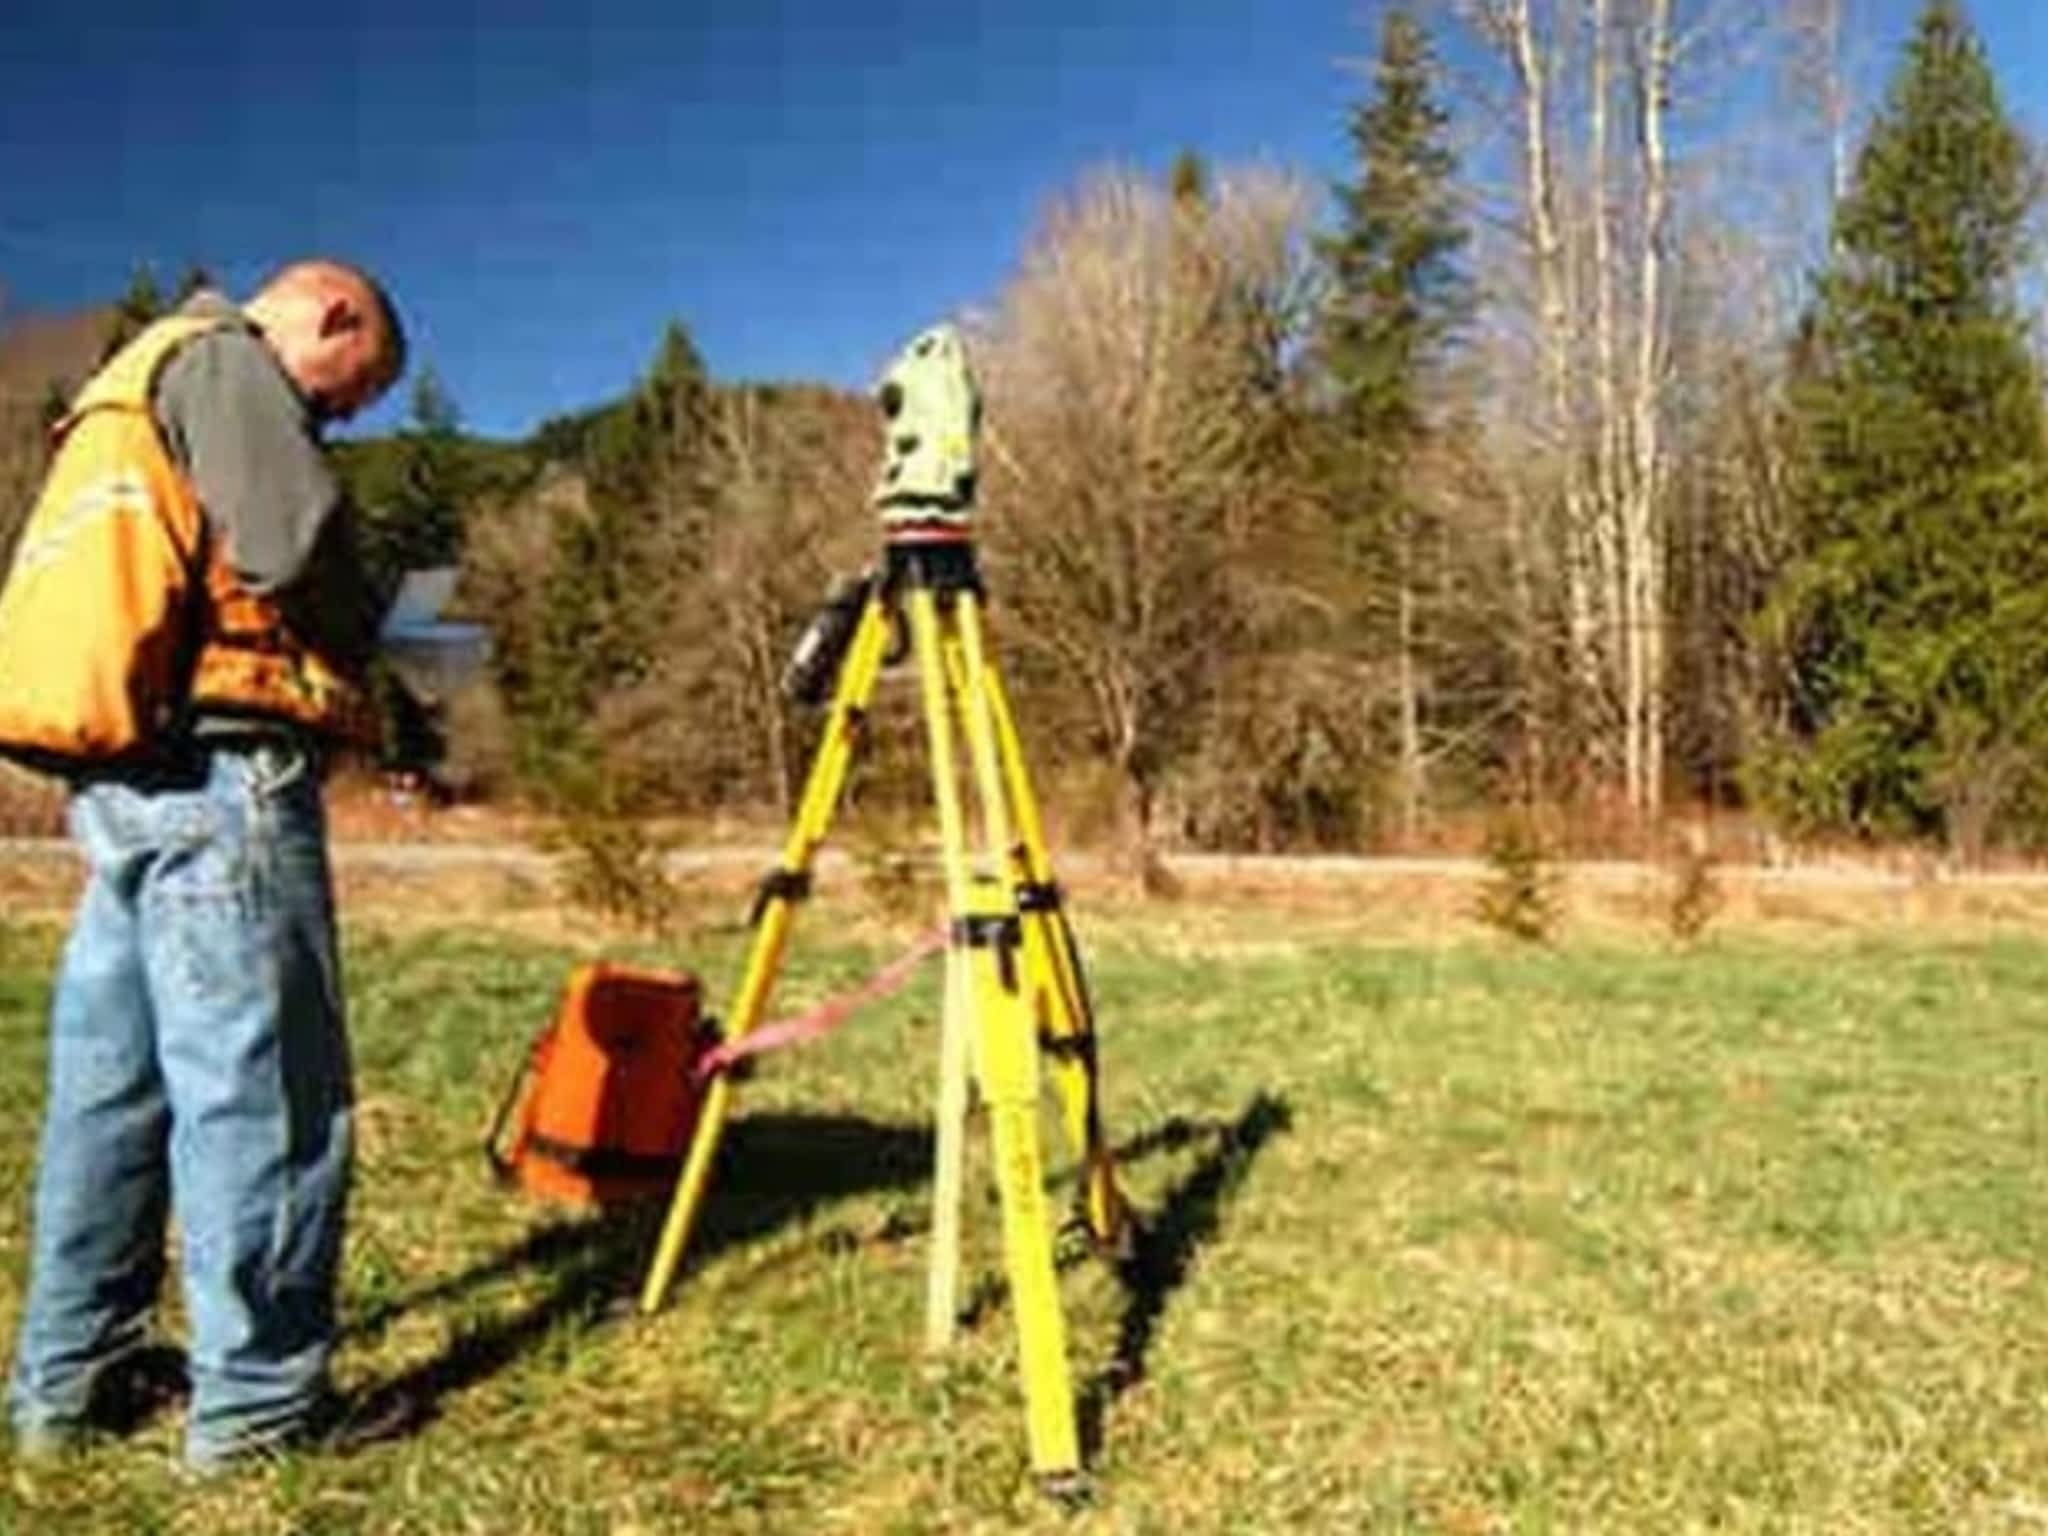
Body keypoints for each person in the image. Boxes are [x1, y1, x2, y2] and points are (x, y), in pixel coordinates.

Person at [6, 259, 406, 1472]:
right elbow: (290, 547)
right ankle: (261, 1414)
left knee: (108, 1099)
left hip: (126, 779)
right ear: (332, 315)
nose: (339, 417)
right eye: (351, 391)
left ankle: (65, 1389)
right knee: (269, 1097)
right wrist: (366, 630)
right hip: (223, 781)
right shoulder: (224, 360)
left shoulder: (124, 385)